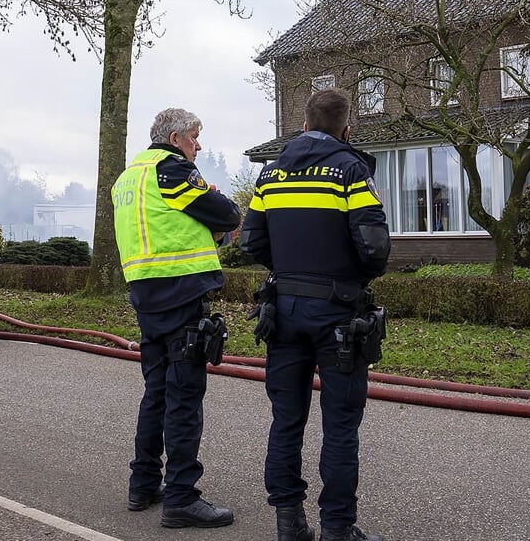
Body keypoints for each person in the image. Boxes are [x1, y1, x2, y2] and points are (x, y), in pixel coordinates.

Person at [240, 87, 392, 541]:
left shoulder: (269, 176)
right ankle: (337, 529)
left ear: (303, 125)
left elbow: (251, 243)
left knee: (286, 419)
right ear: (348, 129)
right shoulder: (350, 170)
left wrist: (287, 272)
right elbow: (375, 248)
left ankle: (290, 525)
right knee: (340, 424)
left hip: (282, 312)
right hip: (339, 314)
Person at [111, 107, 240, 529]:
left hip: (146, 295)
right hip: (181, 293)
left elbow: (172, 224)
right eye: (194, 137)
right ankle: (182, 497)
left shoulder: (129, 178)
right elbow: (226, 214)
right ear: (175, 139)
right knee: (184, 397)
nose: (197, 146)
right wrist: (219, 214)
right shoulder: (173, 170)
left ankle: (143, 484)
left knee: (156, 393)